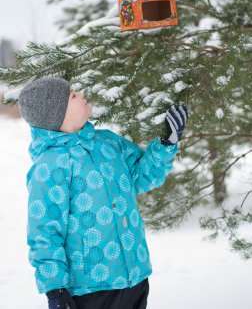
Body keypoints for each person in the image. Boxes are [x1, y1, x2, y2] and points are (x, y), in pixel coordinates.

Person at [18, 76, 189, 309]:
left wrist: (167, 143)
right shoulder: (50, 167)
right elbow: (45, 232)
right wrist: (55, 289)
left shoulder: (107, 142)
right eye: (72, 95)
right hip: (92, 289)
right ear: (58, 115)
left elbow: (139, 177)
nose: (81, 94)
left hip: (134, 274)